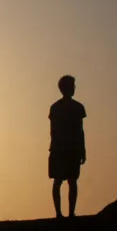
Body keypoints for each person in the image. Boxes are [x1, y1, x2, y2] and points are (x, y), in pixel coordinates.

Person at [48, 75, 86, 218]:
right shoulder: (63, 107)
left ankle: (68, 213)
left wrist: (82, 150)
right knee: (63, 181)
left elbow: (79, 131)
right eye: (72, 86)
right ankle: (61, 213)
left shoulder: (61, 107)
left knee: (69, 181)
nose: (73, 88)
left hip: (67, 148)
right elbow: (55, 131)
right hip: (65, 148)